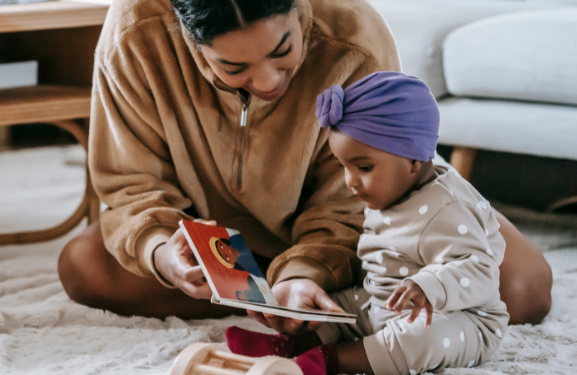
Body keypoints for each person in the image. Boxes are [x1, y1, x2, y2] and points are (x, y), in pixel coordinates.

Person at [57, 0, 552, 327]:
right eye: (233, 67)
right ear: (188, 38)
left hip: (361, 226)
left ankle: (302, 292)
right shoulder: (135, 35)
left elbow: (361, 196)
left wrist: (308, 271)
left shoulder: (352, 34)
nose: (268, 80)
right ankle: (304, 298)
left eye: (283, 50)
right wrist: (162, 252)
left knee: (520, 288)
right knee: (84, 267)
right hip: (213, 228)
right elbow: (130, 185)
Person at [226, 72, 509, 375]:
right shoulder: (390, 188)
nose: (350, 181)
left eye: (363, 167)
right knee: (332, 307)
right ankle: (294, 346)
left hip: (455, 316)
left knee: (419, 338)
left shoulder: (449, 209)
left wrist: (428, 285)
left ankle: (330, 361)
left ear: (413, 159)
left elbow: (480, 270)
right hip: (382, 300)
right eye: (344, 166)